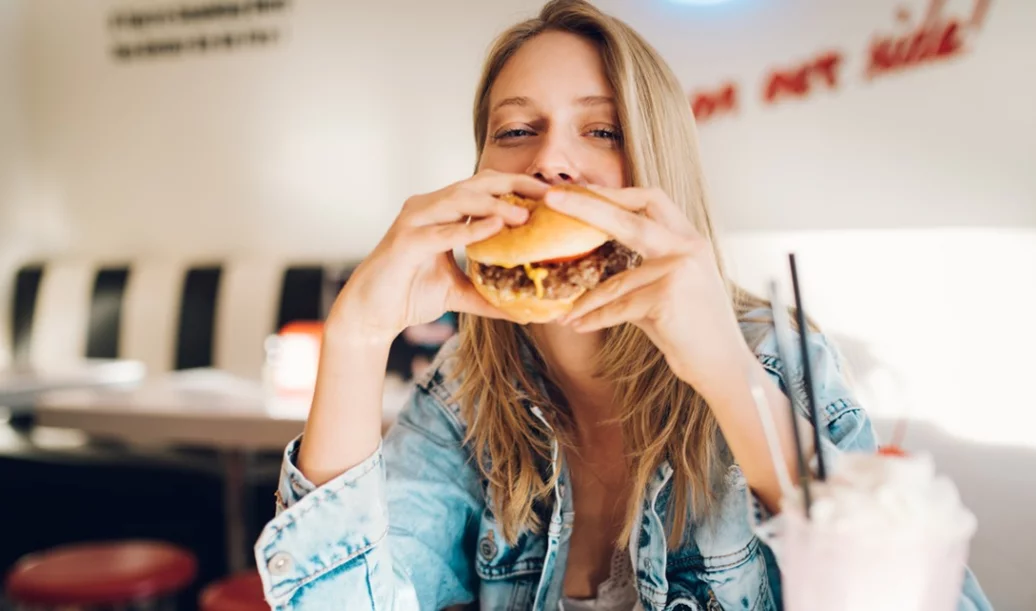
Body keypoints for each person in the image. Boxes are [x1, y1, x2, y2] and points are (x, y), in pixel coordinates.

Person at [254, 1, 992, 609]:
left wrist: (734, 383)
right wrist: (353, 338)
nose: (549, 161)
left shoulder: (773, 354)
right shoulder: (462, 395)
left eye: (601, 129)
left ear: (655, 167)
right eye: (515, 131)